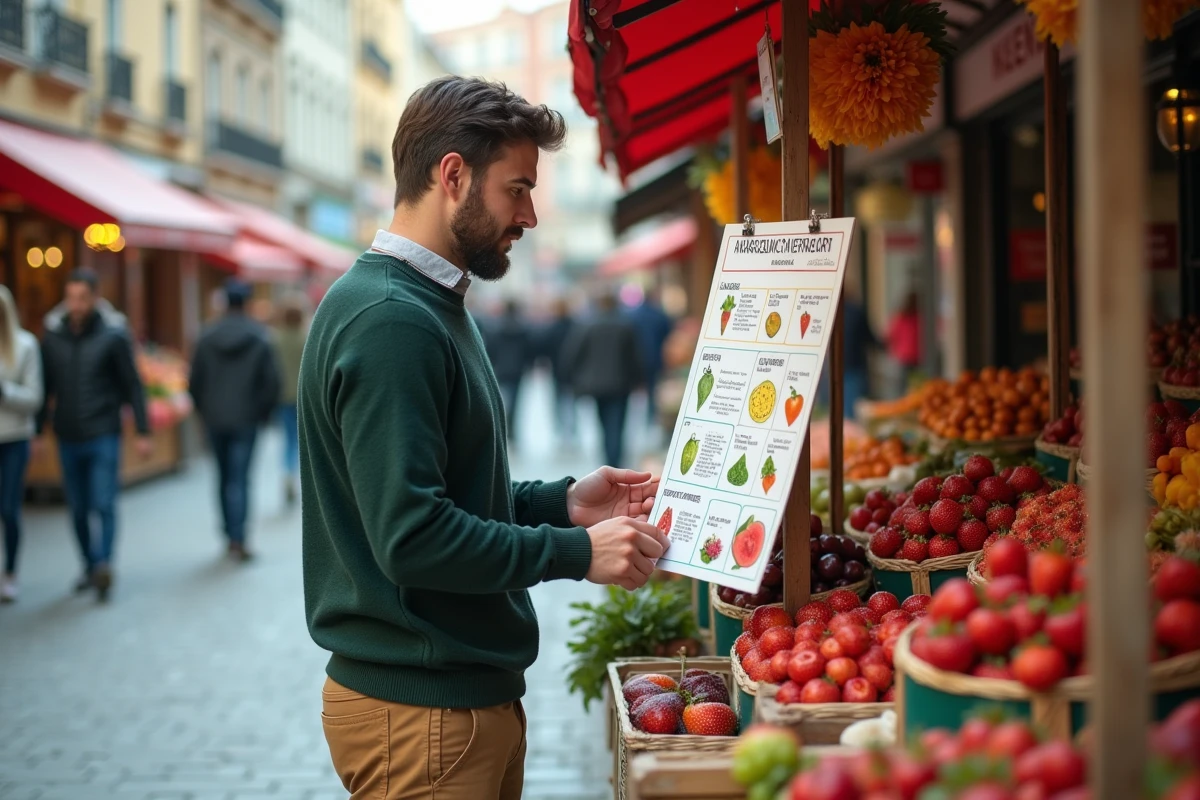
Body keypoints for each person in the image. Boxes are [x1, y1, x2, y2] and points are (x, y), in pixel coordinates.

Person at [298, 76, 668, 800]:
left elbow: (448, 491)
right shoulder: (392, 319)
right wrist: (574, 554)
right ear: (453, 175)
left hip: (444, 702)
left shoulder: (425, 302)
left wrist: (563, 503)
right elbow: (412, 535)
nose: (529, 214)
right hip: (423, 712)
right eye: (517, 188)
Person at [37, 269, 151, 602]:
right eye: (71, 298)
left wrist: (143, 431)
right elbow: (45, 388)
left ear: (95, 298)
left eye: (82, 298)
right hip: (67, 433)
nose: (76, 305)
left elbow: (132, 384)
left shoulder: (114, 335)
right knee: (77, 508)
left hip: (103, 431)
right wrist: (38, 431)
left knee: (103, 502)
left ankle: (103, 565)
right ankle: (88, 564)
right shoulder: (53, 336)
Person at [189, 280, 281, 562]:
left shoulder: (207, 336)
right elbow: (271, 382)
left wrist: (204, 411)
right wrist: (263, 413)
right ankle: (240, 537)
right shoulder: (260, 336)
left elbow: (194, 381)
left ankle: (229, 534)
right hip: (246, 418)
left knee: (223, 476)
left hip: (215, 418)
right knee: (241, 478)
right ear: (247, 303)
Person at [564, 292, 645, 468]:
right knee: (616, 423)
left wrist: (573, 379)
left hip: (595, 385)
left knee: (602, 422)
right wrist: (639, 380)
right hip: (620, 384)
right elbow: (634, 356)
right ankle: (614, 459)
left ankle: (608, 460)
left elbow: (573, 354)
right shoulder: (625, 325)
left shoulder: (587, 325)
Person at [0, 286, 42, 603]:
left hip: (14, 437)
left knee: (9, 508)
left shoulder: (25, 345)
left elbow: (34, 398)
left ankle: (11, 571)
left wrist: (5, 392)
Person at [271, 295, 308, 506]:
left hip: (282, 395)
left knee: (287, 438)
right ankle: (296, 476)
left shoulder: (275, 339)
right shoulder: (306, 338)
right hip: (301, 396)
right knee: (299, 439)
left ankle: (287, 472)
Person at [483, 298, 532, 444]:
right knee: (515, 402)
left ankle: (503, 429)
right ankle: (512, 431)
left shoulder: (496, 327)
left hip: (500, 369)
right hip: (517, 370)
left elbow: (490, 349)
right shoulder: (523, 328)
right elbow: (529, 350)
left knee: (501, 402)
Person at [627, 286, 673, 425]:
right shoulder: (659, 315)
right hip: (655, 357)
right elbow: (668, 335)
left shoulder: (632, 315)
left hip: (637, 358)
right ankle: (651, 417)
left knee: (638, 389)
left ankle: (639, 418)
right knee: (653, 388)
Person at [539, 297, 576, 446]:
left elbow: (545, 348)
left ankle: (562, 432)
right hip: (573, 371)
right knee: (571, 402)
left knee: (558, 403)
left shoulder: (552, 328)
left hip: (557, 371)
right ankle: (572, 432)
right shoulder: (575, 326)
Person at [887, 291, 922, 393]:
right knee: (918, 387)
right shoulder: (921, 317)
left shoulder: (900, 317)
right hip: (919, 357)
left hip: (905, 357)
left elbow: (891, 336)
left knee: (904, 388)